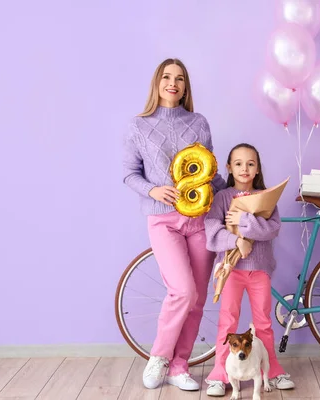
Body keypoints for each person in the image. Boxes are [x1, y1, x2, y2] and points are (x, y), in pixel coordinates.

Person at [122, 58, 226, 391]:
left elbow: (208, 172)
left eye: (179, 78)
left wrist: (238, 188)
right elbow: (129, 174)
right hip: (163, 219)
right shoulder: (138, 126)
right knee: (181, 290)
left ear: (185, 86)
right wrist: (153, 189)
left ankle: (180, 365)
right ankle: (159, 357)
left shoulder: (199, 122)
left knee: (196, 299)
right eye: (167, 77)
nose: (173, 83)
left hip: (201, 220)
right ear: (157, 83)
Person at [203, 143, 296, 397]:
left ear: (257, 170)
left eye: (251, 164)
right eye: (239, 163)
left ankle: (271, 372)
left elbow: (272, 229)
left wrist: (243, 222)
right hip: (231, 270)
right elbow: (211, 230)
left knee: (263, 323)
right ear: (229, 168)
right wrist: (237, 241)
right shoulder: (222, 198)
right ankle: (220, 374)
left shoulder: (266, 197)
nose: (245, 168)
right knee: (227, 322)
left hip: (260, 270)